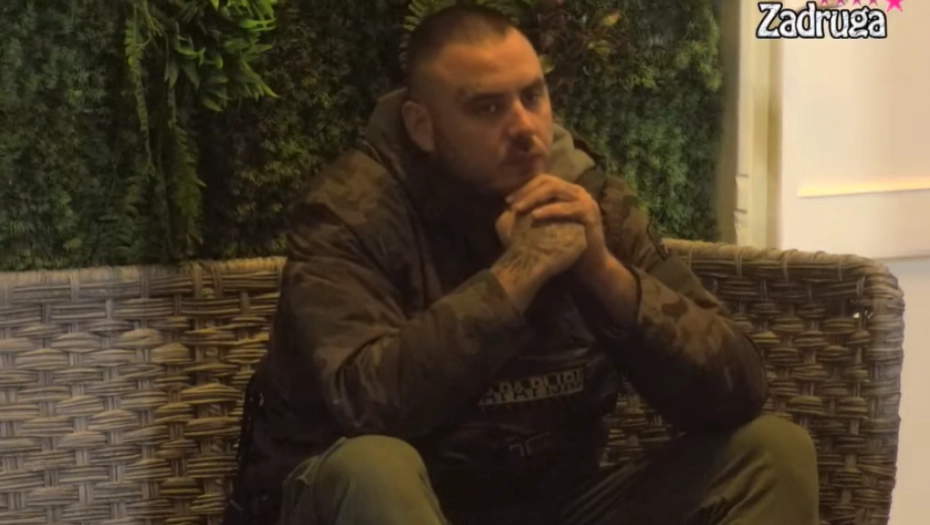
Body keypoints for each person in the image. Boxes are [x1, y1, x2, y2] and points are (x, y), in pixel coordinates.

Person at [223, 4, 820, 525]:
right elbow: (366, 405)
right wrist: (515, 277)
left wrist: (604, 274)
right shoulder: (350, 213)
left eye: (533, 97)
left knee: (771, 453)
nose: (526, 129)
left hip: (552, 503)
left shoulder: (588, 199)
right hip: (386, 503)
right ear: (422, 126)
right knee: (373, 464)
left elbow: (737, 386)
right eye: (487, 108)